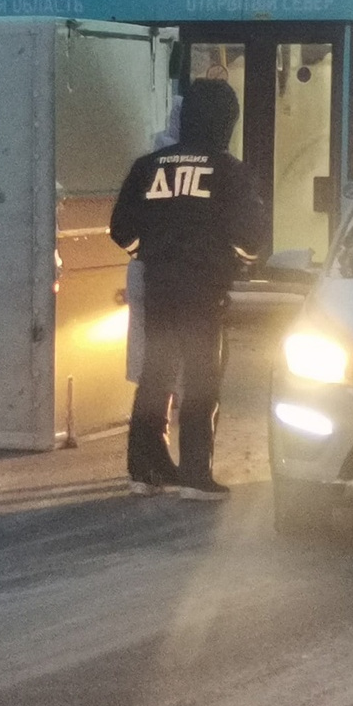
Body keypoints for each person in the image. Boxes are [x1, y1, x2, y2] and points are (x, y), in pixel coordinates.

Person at [109, 77, 269, 499]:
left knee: (155, 374)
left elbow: (121, 231)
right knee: (202, 378)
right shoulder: (230, 170)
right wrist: (233, 253)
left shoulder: (149, 165)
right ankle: (196, 474)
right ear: (227, 121)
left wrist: (151, 247)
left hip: (158, 286)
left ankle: (145, 470)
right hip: (204, 289)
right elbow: (252, 240)